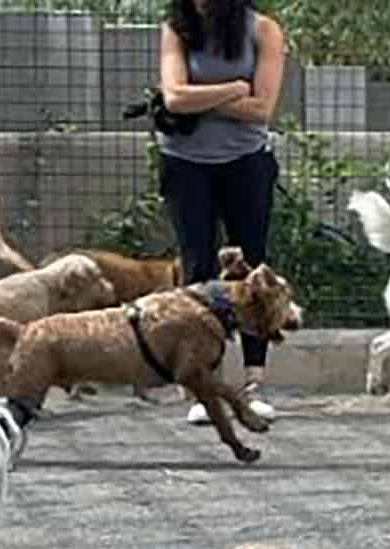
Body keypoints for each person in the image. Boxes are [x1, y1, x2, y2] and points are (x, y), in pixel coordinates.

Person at [156, 0, 287, 425]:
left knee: (252, 266)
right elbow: (174, 97)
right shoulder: (177, 29)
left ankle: (254, 381)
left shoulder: (263, 31)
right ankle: (203, 385)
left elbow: (262, 109)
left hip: (246, 162)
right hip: (184, 163)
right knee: (197, 265)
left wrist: (199, 98)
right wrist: (233, 89)